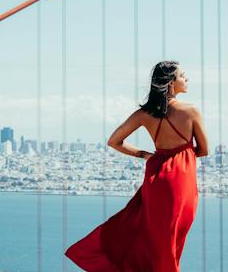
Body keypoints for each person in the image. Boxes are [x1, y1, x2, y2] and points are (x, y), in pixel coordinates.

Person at [65, 60, 209, 271]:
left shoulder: (144, 114)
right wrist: (182, 158)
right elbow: (203, 150)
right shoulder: (191, 111)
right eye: (182, 76)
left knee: (149, 235)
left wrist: (145, 155)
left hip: (156, 180)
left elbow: (114, 141)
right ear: (170, 83)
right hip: (181, 183)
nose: (187, 79)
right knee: (174, 238)